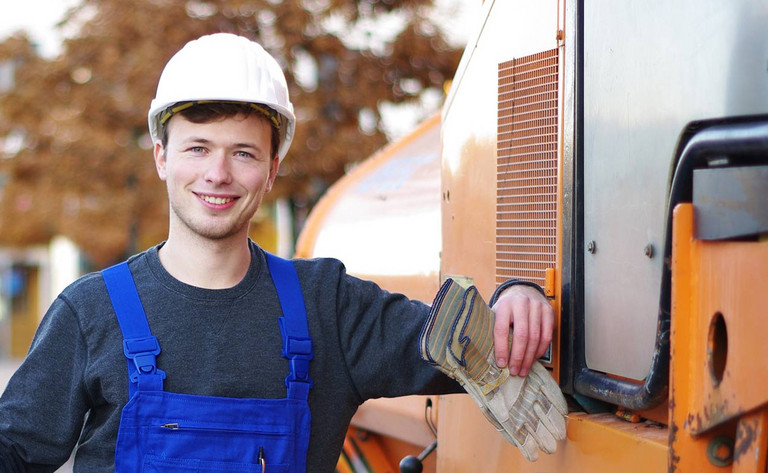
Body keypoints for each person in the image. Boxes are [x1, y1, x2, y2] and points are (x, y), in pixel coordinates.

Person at [0, 33, 555, 472]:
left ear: (272, 170)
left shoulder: (329, 308)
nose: (218, 174)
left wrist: (519, 296)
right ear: (162, 156)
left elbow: (469, 341)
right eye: (198, 148)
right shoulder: (90, 311)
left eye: (243, 153)